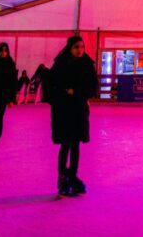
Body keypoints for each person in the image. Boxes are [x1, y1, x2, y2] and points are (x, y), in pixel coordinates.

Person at [50, 36, 97, 197]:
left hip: (78, 109)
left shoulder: (87, 65)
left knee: (76, 144)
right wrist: (64, 92)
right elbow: (51, 85)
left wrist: (77, 92)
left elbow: (92, 87)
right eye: (77, 47)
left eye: (82, 47)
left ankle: (72, 175)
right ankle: (62, 177)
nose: (80, 50)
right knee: (66, 144)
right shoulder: (61, 64)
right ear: (70, 48)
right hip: (63, 109)